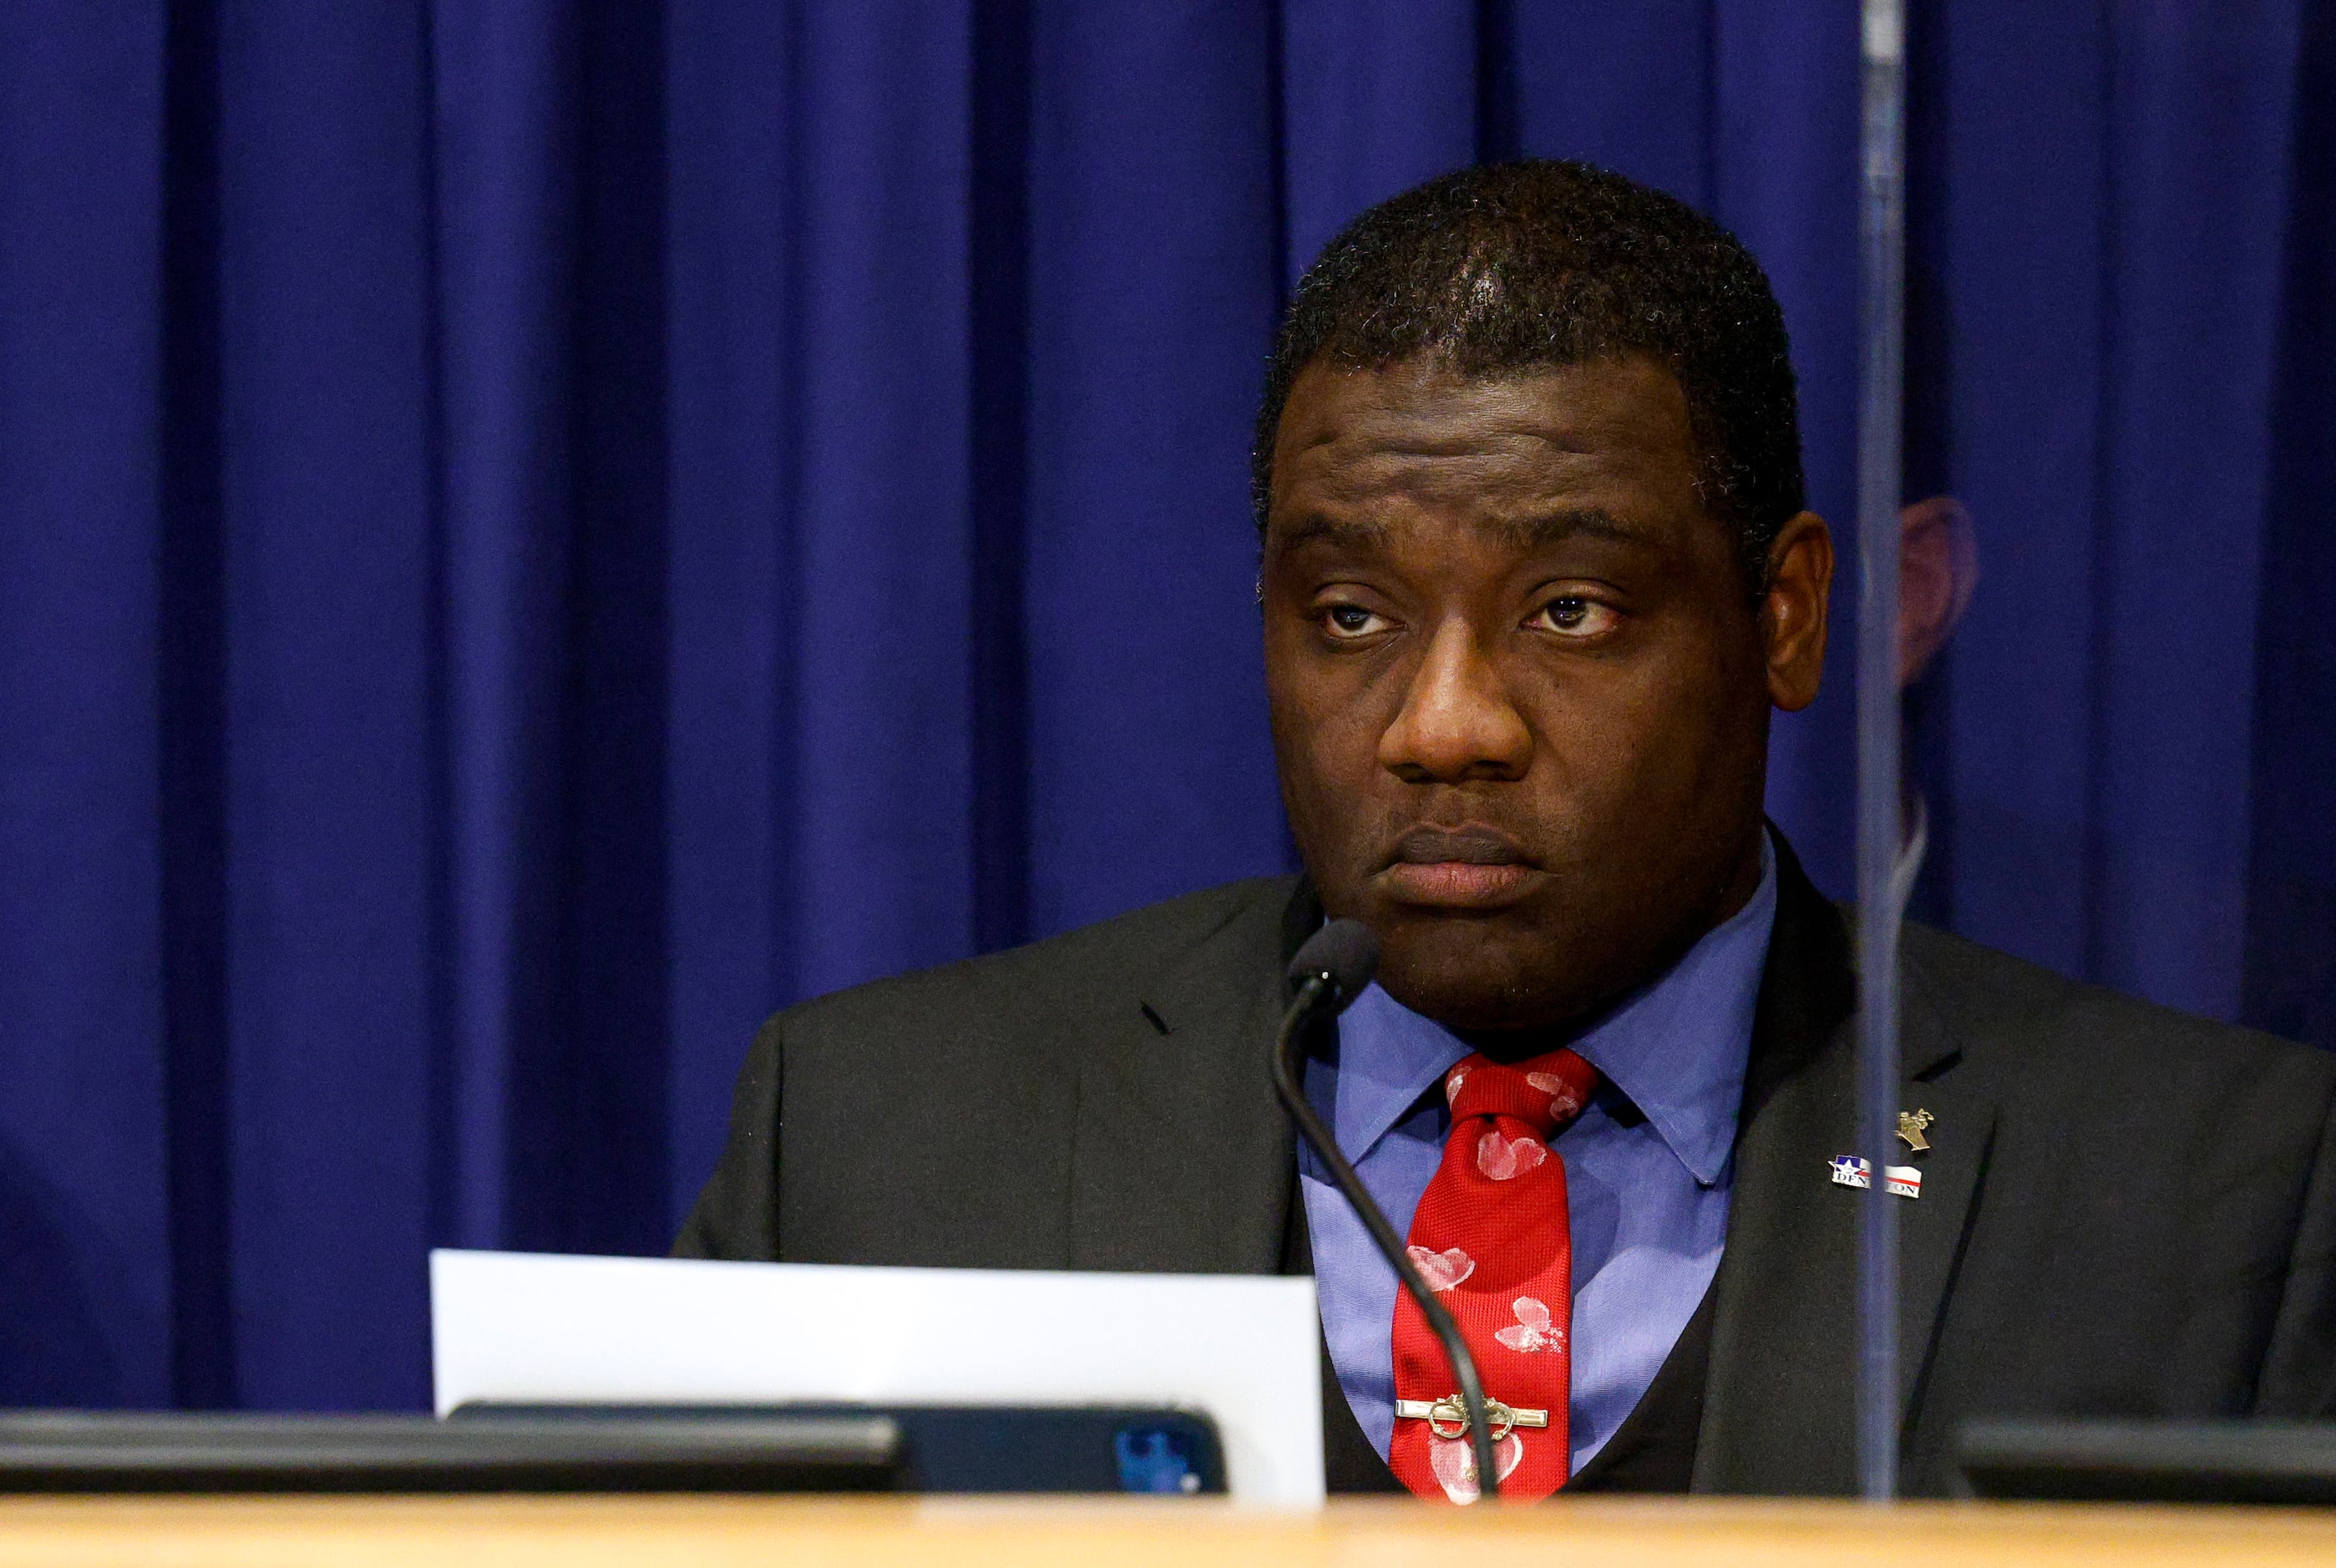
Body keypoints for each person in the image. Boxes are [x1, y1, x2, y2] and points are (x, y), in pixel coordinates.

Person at [676, 161, 2336, 1500]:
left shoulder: (2208, 1195)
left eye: (1566, 608)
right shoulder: (870, 1145)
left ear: (1783, 617)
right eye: (1345, 615)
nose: (1438, 725)